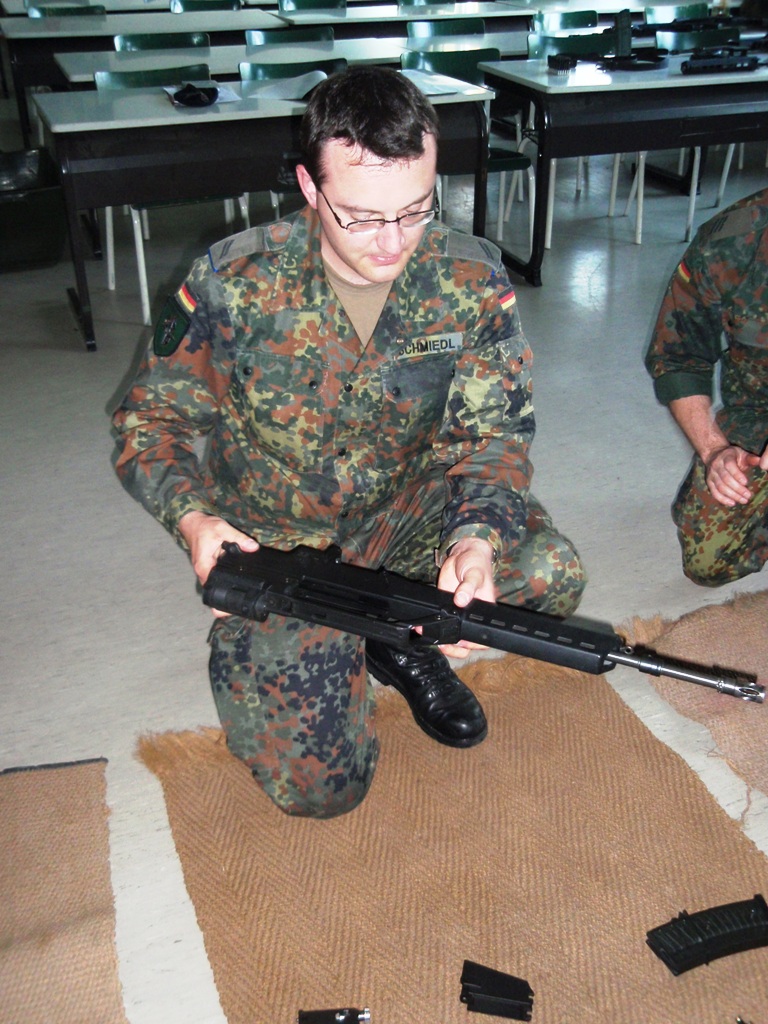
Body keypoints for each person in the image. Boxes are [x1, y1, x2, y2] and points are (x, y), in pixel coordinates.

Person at [112, 65, 586, 819]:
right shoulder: (236, 280)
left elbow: (494, 432)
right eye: (362, 217)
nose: (394, 241)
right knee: (322, 790)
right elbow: (149, 423)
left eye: (416, 209)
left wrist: (473, 541)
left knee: (547, 575)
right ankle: (348, 641)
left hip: (404, 511)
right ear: (309, 186)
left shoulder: (468, 276)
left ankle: (395, 635)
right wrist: (196, 523)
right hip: (283, 546)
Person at [646, 186, 768, 587]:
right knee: (709, 559)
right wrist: (714, 450)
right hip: (758, 412)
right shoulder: (730, 241)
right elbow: (678, 356)